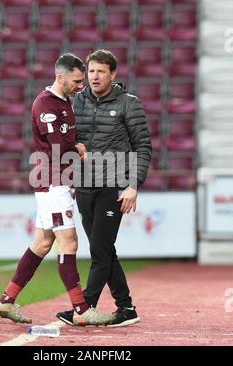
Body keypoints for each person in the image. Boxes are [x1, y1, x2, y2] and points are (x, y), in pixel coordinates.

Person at [0, 53, 113, 326]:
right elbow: (58, 147)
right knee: (68, 242)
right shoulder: (46, 105)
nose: (81, 85)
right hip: (53, 181)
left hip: (55, 180)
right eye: (77, 80)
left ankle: (6, 301)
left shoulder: (62, 101)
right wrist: (79, 149)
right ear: (60, 76)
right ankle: (82, 311)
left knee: (43, 243)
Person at [56, 50, 152, 327]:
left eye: (100, 71)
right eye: (91, 71)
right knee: (105, 250)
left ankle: (84, 308)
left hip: (112, 186)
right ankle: (126, 307)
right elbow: (72, 142)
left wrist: (133, 185)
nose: (94, 76)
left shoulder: (129, 104)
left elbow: (143, 147)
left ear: (113, 74)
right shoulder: (76, 101)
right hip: (84, 186)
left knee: (100, 249)